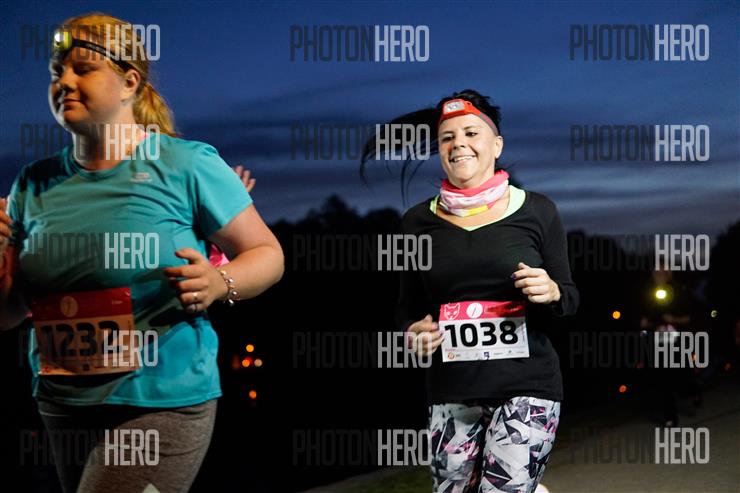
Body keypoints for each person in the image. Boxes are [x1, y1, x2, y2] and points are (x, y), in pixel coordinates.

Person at [0, 13, 283, 493]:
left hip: (160, 398)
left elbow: (267, 253)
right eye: (56, 72)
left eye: (83, 68)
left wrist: (220, 282)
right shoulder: (33, 182)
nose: (64, 82)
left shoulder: (187, 164)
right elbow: (8, 314)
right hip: (62, 401)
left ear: (129, 82)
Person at [361, 89, 578, 492]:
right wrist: (413, 332)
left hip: (527, 386)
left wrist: (550, 290)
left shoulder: (538, 210)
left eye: (471, 133)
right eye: (448, 137)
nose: (458, 143)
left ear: (497, 145)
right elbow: (406, 308)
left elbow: (570, 298)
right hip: (451, 391)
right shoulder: (415, 223)